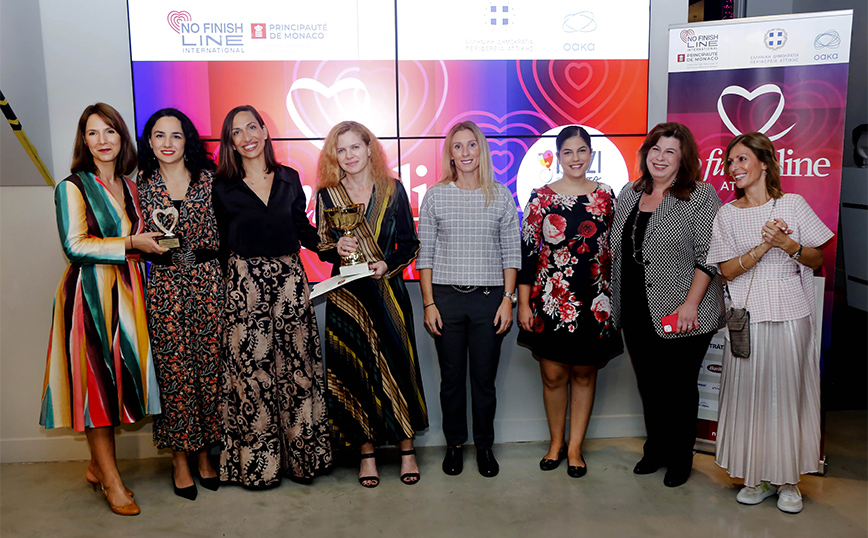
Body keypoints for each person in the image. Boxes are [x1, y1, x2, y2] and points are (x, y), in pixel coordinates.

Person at [40, 103, 166, 515]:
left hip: (128, 294)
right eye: (93, 133)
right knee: (96, 385)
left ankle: (97, 466)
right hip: (89, 296)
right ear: (84, 141)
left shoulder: (131, 187)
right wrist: (131, 244)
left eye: (109, 131)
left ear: (121, 137)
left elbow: (143, 238)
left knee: (119, 384)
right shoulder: (71, 187)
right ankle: (111, 480)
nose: (102, 140)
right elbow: (74, 246)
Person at [708, 132, 833, 514]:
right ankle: (756, 476)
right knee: (750, 399)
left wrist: (787, 244)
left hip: (792, 314)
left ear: (764, 163)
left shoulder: (792, 204)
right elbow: (726, 271)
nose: (734, 168)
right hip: (747, 319)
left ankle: (789, 480)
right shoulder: (727, 214)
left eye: (742, 159)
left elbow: (817, 259)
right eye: (730, 162)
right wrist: (764, 245)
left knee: (787, 397)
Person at [213, 105, 331, 489]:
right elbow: (218, 245)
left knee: (296, 373)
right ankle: (258, 468)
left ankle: (301, 461)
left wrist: (335, 246)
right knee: (252, 377)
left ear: (264, 131)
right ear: (230, 142)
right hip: (245, 289)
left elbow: (303, 230)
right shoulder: (221, 186)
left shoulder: (289, 178)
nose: (246, 137)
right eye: (236, 132)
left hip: (289, 285)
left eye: (252, 127)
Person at [610, 122, 724, 488]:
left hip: (683, 311)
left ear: (683, 158)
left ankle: (680, 456)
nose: (660, 157)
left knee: (678, 386)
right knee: (649, 384)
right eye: (656, 149)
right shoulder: (630, 192)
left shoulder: (700, 195)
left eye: (670, 151)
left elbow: (709, 254)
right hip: (635, 307)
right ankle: (656, 449)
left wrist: (691, 304)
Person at [315, 121, 428, 488]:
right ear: (334, 156)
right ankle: (366, 454)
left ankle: (407, 450)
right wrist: (336, 247)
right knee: (354, 371)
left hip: (388, 292)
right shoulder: (327, 195)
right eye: (341, 150)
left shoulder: (393, 189)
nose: (349, 155)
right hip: (347, 297)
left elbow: (410, 244)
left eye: (355, 147)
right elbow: (321, 243)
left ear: (369, 148)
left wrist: (386, 264)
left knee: (399, 368)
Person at [516, 126, 622, 478]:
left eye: (581, 151)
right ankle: (556, 443)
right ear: (558, 157)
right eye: (568, 152)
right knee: (553, 374)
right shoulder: (541, 197)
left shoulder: (607, 196)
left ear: (591, 154)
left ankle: (575, 448)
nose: (575, 158)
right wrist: (523, 303)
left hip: (596, 301)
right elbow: (528, 252)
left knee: (584, 373)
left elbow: (616, 251)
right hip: (551, 299)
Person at [417, 121, 521, 478]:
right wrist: (429, 303)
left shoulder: (501, 195)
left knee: (483, 380)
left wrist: (508, 300)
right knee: (451, 380)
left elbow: (511, 254)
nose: (465, 153)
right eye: (458, 146)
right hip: (445, 300)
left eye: (471, 145)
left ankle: (485, 447)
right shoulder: (435, 196)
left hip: (489, 301)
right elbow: (425, 256)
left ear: (481, 150)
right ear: (450, 153)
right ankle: (455, 445)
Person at [137, 108, 222, 500]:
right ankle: (180, 459)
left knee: (208, 371)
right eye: (159, 135)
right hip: (165, 288)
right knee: (174, 373)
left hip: (209, 285)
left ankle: (204, 454)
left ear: (188, 140)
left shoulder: (210, 180)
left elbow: (224, 236)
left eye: (176, 135)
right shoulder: (139, 184)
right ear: (149, 142)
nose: (168, 143)